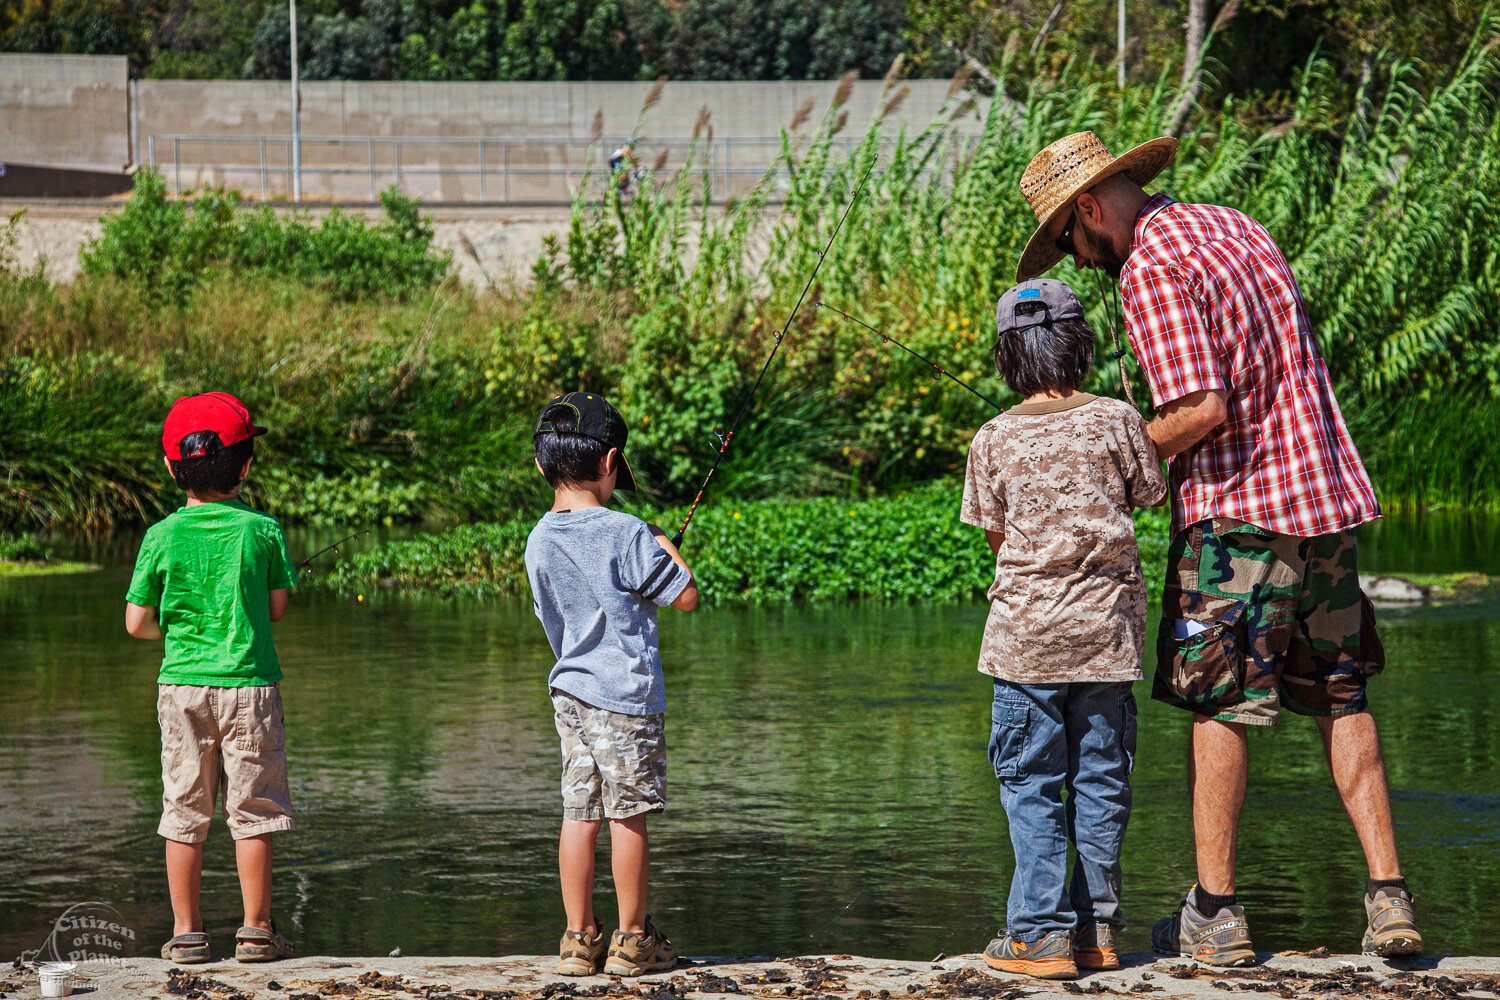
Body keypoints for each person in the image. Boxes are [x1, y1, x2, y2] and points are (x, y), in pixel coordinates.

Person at [1014, 131, 1421, 964]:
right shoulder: (1235, 224)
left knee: (1218, 704)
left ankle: (1216, 912)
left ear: (1091, 207)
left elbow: (1201, 408)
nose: (1076, 256)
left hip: (1240, 518)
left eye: (1067, 236)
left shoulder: (1150, 268)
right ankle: (1388, 899)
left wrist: (1116, 453)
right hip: (1326, 505)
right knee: (1342, 697)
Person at [963, 279, 1167, 980]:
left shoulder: (991, 436)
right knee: (1103, 781)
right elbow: (1148, 493)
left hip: (1024, 642)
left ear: (1007, 357)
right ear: (1079, 344)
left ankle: (1041, 933)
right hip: (1107, 641)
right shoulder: (1117, 420)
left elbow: (996, 537)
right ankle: (1097, 933)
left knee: (1030, 785)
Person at [525, 391, 698, 977]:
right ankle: (631, 940)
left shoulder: (538, 539)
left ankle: (578, 938)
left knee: (580, 813)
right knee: (629, 815)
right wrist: (664, 544)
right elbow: (686, 595)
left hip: (569, 692)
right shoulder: (627, 532)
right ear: (610, 462)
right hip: (626, 697)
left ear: (542, 465)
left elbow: (552, 613)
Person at [125, 391, 299, 964]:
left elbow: (136, 624)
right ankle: (254, 931)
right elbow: (275, 609)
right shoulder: (263, 530)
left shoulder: (159, 537)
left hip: (181, 689)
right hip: (251, 688)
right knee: (254, 810)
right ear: (246, 465)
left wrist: (172, 638)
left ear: (174, 468)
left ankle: (186, 933)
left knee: (183, 809)